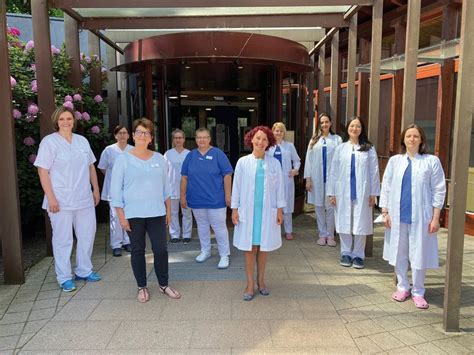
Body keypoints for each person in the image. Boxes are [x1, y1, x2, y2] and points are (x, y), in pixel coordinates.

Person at [111, 118, 180, 302]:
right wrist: (121, 217)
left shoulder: (159, 158)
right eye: (139, 132)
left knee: (161, 250)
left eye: (147, 133)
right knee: (137, 251)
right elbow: (115, 192)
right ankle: (141, 286)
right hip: (133, 214)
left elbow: (166, 188)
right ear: (133, 135)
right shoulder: (123, 159)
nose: (143, 135)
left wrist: (168, 211)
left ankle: (164, 284)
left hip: (157, 213)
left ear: (151, 137)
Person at [34, 106, 101, 292]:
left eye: (69, 118)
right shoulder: (49, 142)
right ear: (57, 121)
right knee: (63, 240)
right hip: (60, 200)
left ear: (74, 121)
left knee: (87, 235)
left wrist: (96, 189)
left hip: (84, 197)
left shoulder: (82, 141)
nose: (66, 122)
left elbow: (90, 167)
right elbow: (43, 171)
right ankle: (64, 277)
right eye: (62, 119)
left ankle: (84, 270)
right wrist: (51, 198)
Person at [379, 124, 446, 309]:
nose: (412, 139)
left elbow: (439, 190)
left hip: (422, 218)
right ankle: (402, 287)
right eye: (408, 136)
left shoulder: (431, 161)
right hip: (398, 216)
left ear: (422, 140)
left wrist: (435, 218)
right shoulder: (395, 161)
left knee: (419, 254)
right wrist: (385, 212)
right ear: (403, 139)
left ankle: (418, 291)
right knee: (400, 253)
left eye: (416, 136)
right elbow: (386, 186)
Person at [232, 126, 285, 301]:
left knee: (263, 248)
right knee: (249, 248)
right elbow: (237, 187)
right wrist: (234, 209)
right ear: (251, 139)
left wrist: (279, 210)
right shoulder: (243, 162)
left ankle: (261, 281)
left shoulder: (274, 163)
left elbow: (279, 189)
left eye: (264, 139)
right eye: (258, 138)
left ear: (268, 142)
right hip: (248, 212)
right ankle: (249, 283)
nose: (260, 142)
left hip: (267, 212)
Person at [327, 116, 380, 269]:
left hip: (362, 192)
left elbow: (374, 172)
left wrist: (374, 193)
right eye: (352, 126)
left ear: (361, 129)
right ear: (348, 129)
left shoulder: (368, 148)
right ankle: (345, 252)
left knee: (361, 222)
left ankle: (358, 255)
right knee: (344, 221)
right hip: (342, 191)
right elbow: (333, 172)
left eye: (357, 126)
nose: (354, 129)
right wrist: (332, 193)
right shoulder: (341, 148)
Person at [180, 127, 233, 269]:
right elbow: (184, 178)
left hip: (216, 199)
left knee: (219, 227)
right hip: (196, 199)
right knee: (202, 226)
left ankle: (224, 255)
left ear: (210, 139)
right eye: (198, 137)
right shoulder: (191, 155)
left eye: (204, 137)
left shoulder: (218, 154)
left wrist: (228, 195)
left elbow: (227, 175)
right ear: (195, 139)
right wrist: (182, 196)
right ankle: (205, 251)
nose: (201, 140)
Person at [304, 113, 342, 247]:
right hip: (317, 178)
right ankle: (322, 233)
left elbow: (341, 161)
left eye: (326, 122)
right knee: (319, 206)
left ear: (331, 123)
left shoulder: (337, 139)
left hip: (332, 179)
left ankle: (331, 235)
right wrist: (308, 179)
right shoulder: (314, 140)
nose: (324, 124)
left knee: (331, 207)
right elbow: (308, 160)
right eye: (322, 122)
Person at [98, 125, 133, 257]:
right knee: (115, 217)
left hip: (129, 188)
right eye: (120, 133)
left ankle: (127, 241)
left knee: (128, 215)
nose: (122, 135)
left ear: (129, 135)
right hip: (113, 189)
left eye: (125, 133)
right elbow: (103, 168)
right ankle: (116, 245)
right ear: (115, 135)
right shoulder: (109, 150)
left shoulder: (133, 150)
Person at [268, 122, 301, 240]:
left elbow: (297, 160)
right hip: (272, 181)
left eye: (281, 131)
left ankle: (288, 231)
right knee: (272, 204)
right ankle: (272, 231)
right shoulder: (268, 146)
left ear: (284, 133)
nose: (279, 133)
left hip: (286, 180)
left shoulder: (289, 146)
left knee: (286, 206)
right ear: (272, 132)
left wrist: (295, 170)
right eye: (276, 130)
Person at [164, 129, 192, 244]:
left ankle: (187, 234)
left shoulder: (189, 154)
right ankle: (174, 234)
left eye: (180, 138)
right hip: (172, 188)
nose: (178, 140)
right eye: (176, 138)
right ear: (173, 140)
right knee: (173, 212)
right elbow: (164, 172)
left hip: (187, 189)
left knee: (187, 213)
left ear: (184, 139)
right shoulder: (168, 154)